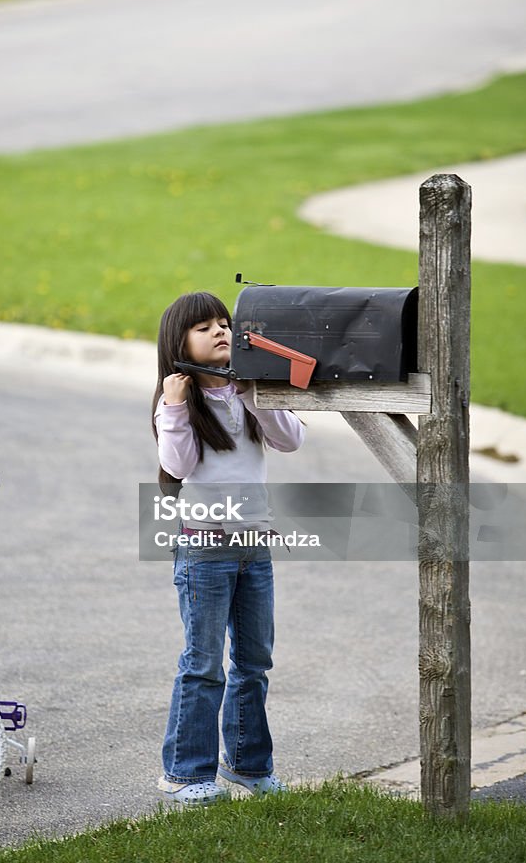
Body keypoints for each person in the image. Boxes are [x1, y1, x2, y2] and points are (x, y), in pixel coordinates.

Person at [152, 291, 305, 807]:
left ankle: (247, 764)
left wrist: (261, 391)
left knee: (254, 660)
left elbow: (290, 441)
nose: (220, 331)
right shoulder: (180, 403)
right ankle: (185, 773)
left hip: (253, 549)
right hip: (205, 553)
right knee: (203, 664)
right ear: (179, 343)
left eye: (224, 322)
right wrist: (174, 406)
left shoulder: (248, 391)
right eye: (204, 327)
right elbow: (177, 466)